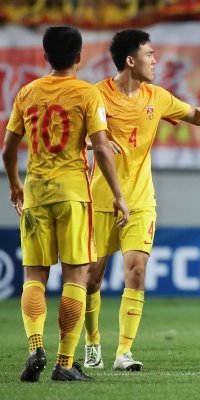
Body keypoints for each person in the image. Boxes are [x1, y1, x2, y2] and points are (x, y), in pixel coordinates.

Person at [83, 29, 200, 371]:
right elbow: (74, 135)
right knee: (92, 280)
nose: (155, 60)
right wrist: (90, 143)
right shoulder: (96, 95)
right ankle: (93, 343)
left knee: (136, 271)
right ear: (131, 60)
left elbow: (197, 116)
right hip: (99, 199)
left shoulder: (157, 97)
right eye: (149, 54)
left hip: (141, 200)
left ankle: (123, 352)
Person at [2, 26, 129, 382]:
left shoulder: (27, 92)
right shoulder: (88, 94)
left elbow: (8, 149)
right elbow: (102, 147)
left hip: (37, 193)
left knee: (34, 276)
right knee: (75, 275)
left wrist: (15, 185)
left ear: (44, 57)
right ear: (79, 57)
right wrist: (119, 195)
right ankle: (64, 362)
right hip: (73, 194)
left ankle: (34, 345)